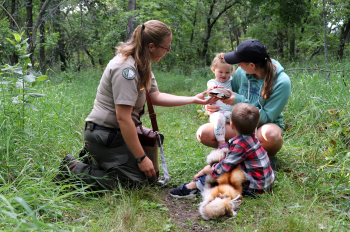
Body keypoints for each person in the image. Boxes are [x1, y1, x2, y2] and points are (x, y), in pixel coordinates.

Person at [55, 20, 216, 190]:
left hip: (117, 134)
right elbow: (123, 118)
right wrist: (141, 158)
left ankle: (102, 162)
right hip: (105, 135)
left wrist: (193, 99)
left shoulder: (142, 63)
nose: (168, 51)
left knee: (149, 178)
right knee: (134, 183)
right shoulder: (126, 69)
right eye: (167, 48)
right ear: (152, 46)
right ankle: (73, 169)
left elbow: (156, 96)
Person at [197, 39, 291, 170]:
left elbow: (267, 117)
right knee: (204, 133)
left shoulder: (282, 82)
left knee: (271, 135)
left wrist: (238, 100)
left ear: (252, 65)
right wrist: (209, 106)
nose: (237, 66)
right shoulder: (241, 73)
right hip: (239, 125)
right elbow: (229, 96)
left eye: (239, 62)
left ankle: (270, 157)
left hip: (262, 127)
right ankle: (239, 155)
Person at [170, 103, 274, 198]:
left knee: (217, 172)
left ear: (231, 125)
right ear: (256, 126)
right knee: (224, 162)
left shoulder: (240, 144)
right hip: (265, 183)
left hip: (254, 189)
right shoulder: (253, 137)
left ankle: (195, 186)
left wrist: (205, 170)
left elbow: (222, 169)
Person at [206, 53, 235, 148]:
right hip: (217, 114)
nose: (223, 75)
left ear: (231, 72)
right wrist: (213, 89)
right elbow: (210, 90)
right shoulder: (212, 83)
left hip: (230, 114)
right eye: (220, 72)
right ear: (213, 70)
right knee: (219, 118)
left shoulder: (232, 81)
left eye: (227, 72)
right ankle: (221, 143)